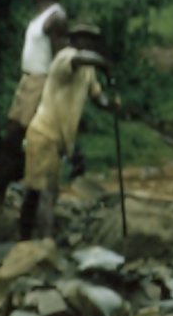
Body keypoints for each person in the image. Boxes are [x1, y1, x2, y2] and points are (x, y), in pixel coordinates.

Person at [19, 21, 119, 241]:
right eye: (84, 37)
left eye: (91, 39)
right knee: (43, 191)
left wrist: (110, 104)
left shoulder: (88, 70)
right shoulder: (65, 57)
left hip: (59, 140)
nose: (88, 43)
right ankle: (43, 240)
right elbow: (79, 59)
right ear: (74, 39)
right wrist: (104, 64)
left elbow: (97, 96)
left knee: (41, 191)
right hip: (44, 132)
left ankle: (29, 238)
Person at [0, 0, 68, 209]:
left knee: (20, 137)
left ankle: (18, 196)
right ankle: (8, 192)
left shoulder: (55, 18)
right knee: (13, 138)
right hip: (29, 81)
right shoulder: (41, 17)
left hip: (42, 82)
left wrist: (54, 94)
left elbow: (59, 58)